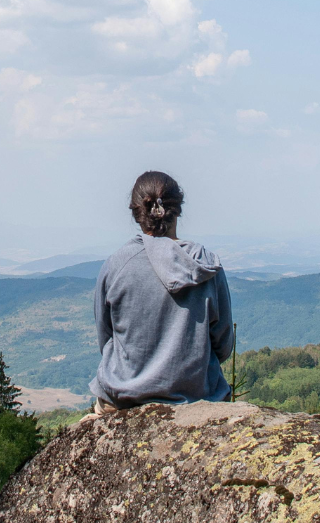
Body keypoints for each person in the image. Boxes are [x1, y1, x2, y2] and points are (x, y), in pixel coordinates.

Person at [87, 170, 235, 418]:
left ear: (136, 212)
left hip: (124, 397)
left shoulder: (116, 265)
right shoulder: (206, 267)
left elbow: (106, 340)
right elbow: (223, 344)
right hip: (198, 397)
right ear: (177, 210)